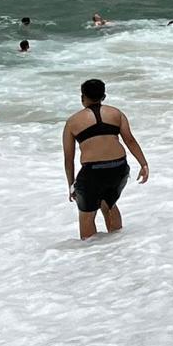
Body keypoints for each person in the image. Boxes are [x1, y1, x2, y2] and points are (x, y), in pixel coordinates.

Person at [62, 78, 149, 240]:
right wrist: (143, 164)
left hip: (92, 172)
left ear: (83, 97)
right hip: (119, 167)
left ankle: (91, 251)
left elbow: (69, 158)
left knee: (87, 215)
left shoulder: (73, 122)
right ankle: (117, 244)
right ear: (103, 96)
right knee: (109, 204)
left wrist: (71, 184)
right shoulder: (116, 114)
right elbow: (130, 140)